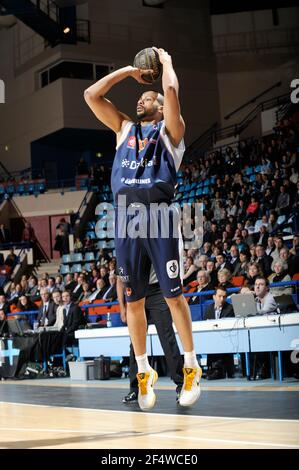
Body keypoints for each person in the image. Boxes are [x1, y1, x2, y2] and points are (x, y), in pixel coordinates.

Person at [84, 47, 201, 410]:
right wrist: (128, 72)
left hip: (160, 216)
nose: (142, 99)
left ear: (163, 108)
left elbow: (171, 92)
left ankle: (191, 365)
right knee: (133, 300)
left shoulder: (171, 133)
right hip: (126, 219)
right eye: (140, 96)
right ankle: (143, 370)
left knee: (172, 296)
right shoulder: (123, 129)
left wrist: (166, 64)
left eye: (149, 97)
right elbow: (91, 95)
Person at [117, 274, 184, 404]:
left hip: (157, 290)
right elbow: (120, 280)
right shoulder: (124, 253)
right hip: (135, 293)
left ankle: (181, 385)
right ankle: (135, 388)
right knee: (135, 344)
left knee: (167, 337)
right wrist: (122, 307)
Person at [204, 287, 235, 379]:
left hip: (226, 337)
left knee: (218, 342)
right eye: (219, 296)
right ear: (214, 297)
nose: (222, 299)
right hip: (212, 337)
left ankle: (219, 370)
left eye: (224, 297)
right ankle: (212, 369)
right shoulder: (209, 308)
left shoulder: (230, 308)